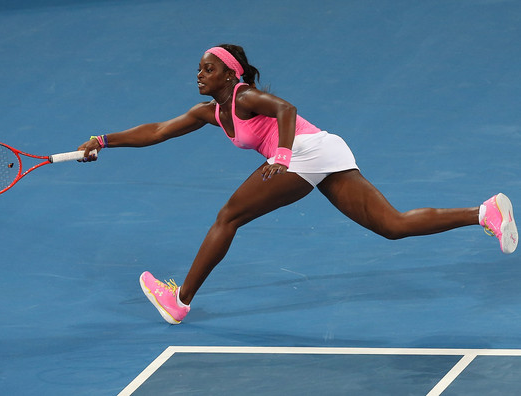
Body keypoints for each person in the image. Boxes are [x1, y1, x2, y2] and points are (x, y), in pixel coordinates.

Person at [78, 44, 518, 325]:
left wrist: (282, 154)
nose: (199, 74)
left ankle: (180, 299)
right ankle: (484, 212)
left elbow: (286, 109)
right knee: (391, 224)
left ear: (231, 76)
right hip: (323, 151)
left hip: (303, 152)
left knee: (228, 217)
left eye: (208, 69)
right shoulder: (209, 113)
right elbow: (155, 130)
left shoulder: (244, 97)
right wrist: (102, 140)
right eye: (198, 68)